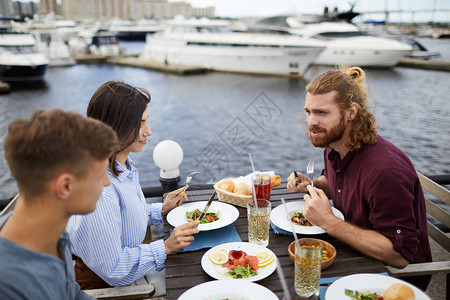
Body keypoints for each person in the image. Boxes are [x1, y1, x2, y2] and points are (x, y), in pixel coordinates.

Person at [287, 65, 432, 290]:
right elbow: (339, 184)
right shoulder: (334, 144)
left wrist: (328, 222)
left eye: (321, 113)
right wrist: (313, 184)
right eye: (308, 111)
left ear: (351, 112)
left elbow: (399, 256)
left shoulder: (384, 172)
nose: (311, 122)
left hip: (391, 280)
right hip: (352, 253)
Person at [67, 80, 199, 293]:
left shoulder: (121, 164)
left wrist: (160, 210)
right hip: (109, 287)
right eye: (140, 124)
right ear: (116, 126)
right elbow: (113, 269)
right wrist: (165, 247)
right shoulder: (101, 190)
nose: (149, 131)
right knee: (195, 280)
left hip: (128, 272)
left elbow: (123, 220)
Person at [0, 109, 119, 299]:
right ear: (65, 186)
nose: (107, 182)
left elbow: (72, 293)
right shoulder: (7, 285)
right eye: (100, 175)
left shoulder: (53, 230)